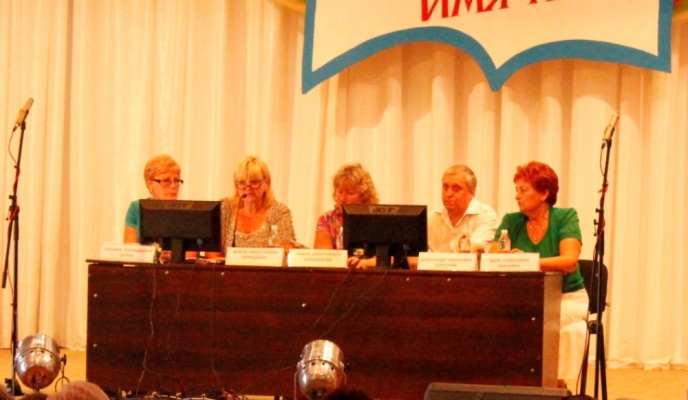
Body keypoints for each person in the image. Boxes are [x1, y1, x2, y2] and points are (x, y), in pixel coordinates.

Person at [490, 161, 588, 386]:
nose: (517, 196)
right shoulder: (511, 221)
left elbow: (569, 261)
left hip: (567, 297)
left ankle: (550, 384)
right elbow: (492, 260)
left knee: (537, 323)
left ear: (544, 193)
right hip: (524, 300)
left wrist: (526, 261)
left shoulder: (565, 217)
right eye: (516, 189)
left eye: (523, 190)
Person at [221, 155, 296, 249]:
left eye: (254, 182)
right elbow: (211, 252)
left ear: (267, 183)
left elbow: (285, 249)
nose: (248, 187)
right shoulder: (225, 208)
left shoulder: (278, 212)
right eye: (242, 182)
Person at [427, 164, 499, 253]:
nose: (448, 194)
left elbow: (474, 252)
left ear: (472, 192)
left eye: (456, 188)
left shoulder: (485, 216)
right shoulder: (432, 219)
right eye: (445, 187)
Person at [314, 163, 379, 249]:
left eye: (350, 193)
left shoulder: (376, 220)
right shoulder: (326, 220)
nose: (343, 199)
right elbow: (323, 255)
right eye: (340, 192)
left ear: (364, 196)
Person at [123, 154, 182, 243]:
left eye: (177, 180)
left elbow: (195, 250)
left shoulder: (189, 211)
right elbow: (129, 247)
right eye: (166, 180)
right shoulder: (136, 209)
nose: (173, 186)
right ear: (149, 184)